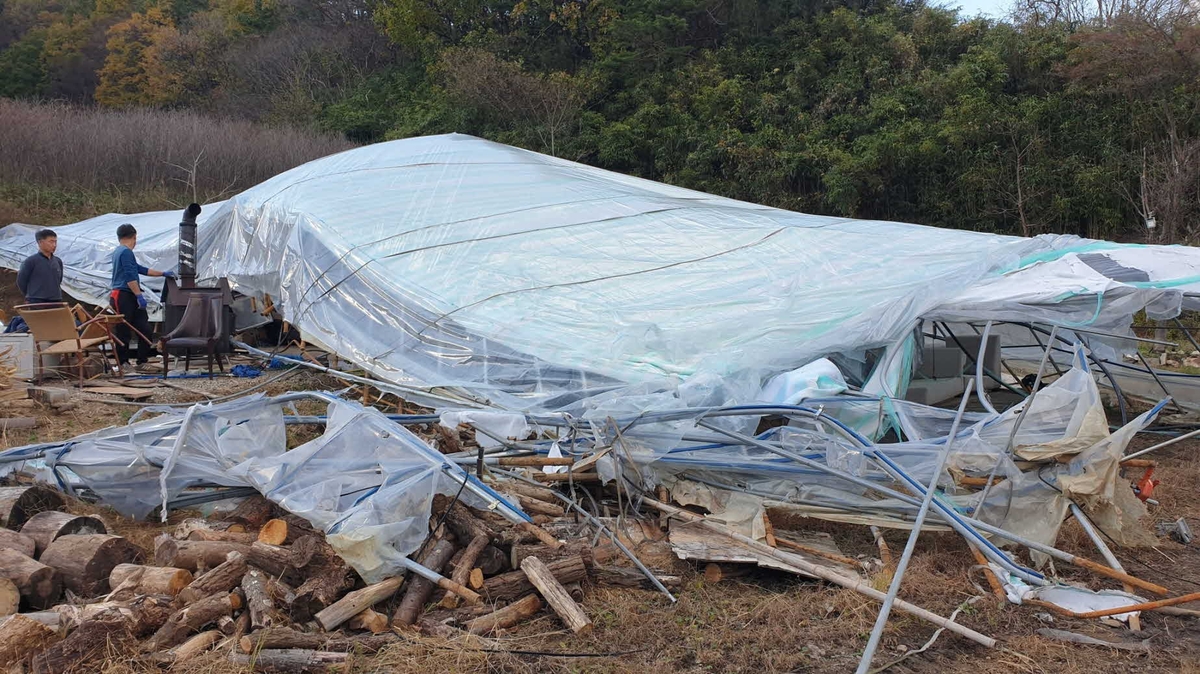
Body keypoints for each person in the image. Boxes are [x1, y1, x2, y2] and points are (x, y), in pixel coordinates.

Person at [110, 223, 175, 366]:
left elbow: (140, 269)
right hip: (123, 295)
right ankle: (123, 363)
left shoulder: (120, 252)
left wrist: (162, 273)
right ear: (134, 237)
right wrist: (139, 296)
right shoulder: (124, 252)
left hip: (129, 294)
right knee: (123, 330)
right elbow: (130, 277)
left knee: (144, 328)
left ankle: (142, 360)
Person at [16, 229, 64, 305]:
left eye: (55, 242)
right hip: (36, 300)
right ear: (40, 242)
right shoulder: (31, 261)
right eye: (51, 241)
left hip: (55, 300)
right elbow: (21, 281)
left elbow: (59, 280)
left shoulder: (58, 261)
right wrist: (30, 295)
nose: (54, 245)